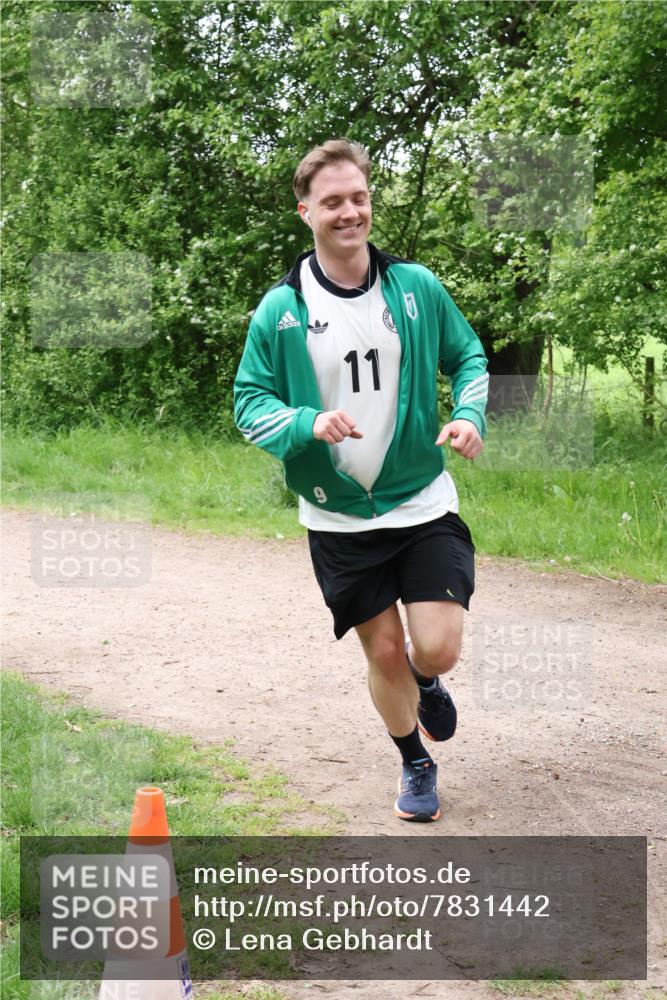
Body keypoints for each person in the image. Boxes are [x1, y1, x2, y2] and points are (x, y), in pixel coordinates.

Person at [234, 139, 488, 822]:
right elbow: (248, 406)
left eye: (359, 198)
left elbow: (467, 356)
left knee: (433, 646)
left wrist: (468, 415)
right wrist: (304, 423)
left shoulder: (416, 288)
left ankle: (427, 679)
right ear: (305, 212)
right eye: (333, 202)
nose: (349, 212)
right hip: (338, 516)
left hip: (419, 499)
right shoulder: (279, 310)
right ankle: (413, 761)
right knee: (381, 649)